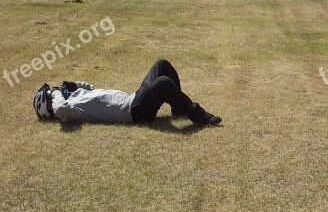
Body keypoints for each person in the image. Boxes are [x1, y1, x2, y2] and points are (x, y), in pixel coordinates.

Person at [33, 59, 221, 126]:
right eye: (49, 94)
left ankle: (178, 108)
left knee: (162, 65)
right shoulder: (66, 109)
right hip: (134, 113)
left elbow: (90, 88)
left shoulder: (72, 98)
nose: (52, 92)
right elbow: (63, 109)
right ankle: (199, 115)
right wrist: (56, 94)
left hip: (133, 98)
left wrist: (74, 85)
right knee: (162, 83)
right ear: (47, 106)